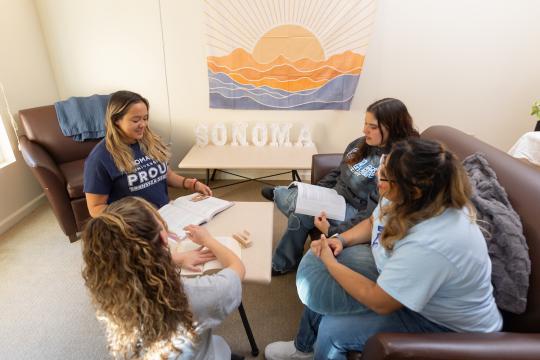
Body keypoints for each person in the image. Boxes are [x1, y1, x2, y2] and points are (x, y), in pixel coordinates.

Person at [265, 138, 503, 360]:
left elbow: (380, 301)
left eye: (385, 176)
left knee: (332, 329)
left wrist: (330, 262)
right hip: (406, 278)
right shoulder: (405, 196)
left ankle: (319, 347)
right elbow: (373, 221)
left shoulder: (434, 242)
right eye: (382, 168)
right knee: (326, 280)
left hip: (445, 326)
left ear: (415, 190)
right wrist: (341, 240)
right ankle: (303, 347)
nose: (378, 178)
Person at [262, 98, 418, 275]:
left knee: (301, 211)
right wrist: (316, 190)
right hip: (335, 194)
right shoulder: (361, 143)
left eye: (373, 127)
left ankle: (282, 202)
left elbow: (373, 213)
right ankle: (287, 196)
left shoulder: (393, 163)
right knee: (304, 202)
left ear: (393, 127)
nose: (364, 130)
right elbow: (338, 171)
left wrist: (335, 231)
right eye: (365, 124)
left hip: (354, 208)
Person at [81, 196, 245, 360]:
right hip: (201, 354)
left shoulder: (111, 291)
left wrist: (177, 258)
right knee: (220, 345)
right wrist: (208, 240)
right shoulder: (190, 296)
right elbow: (237, 270)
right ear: (163, 238)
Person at [84, 90, 212, 218]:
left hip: (165, 214)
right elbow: (95, 208)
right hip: (136, 225)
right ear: (116, 120)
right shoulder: (99, 159)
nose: (143, 125)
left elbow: (165, 174)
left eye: (145, 118)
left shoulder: (150, 141)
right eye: (136, 120)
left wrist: (191, 183)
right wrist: (131, 219)